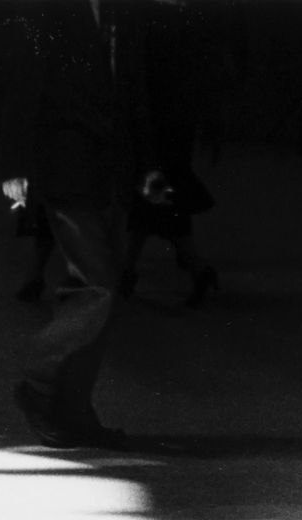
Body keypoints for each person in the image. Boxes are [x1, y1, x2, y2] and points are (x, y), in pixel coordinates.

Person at [0, 0, 168, 448]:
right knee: (100, 287)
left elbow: (136, 92)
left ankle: (73, 410)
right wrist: (15, 165)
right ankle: (38, 378)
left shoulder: (124, 13)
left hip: (113, 172)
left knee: (97, 297)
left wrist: (148, 166)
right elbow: (24, 81)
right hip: (65, 166)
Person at [120, 0, 221, 309]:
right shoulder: (184, 20)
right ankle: (190, 267)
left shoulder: (152, 20)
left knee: (154, 197)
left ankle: (131, 272)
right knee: (158, 199)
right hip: (173, 119)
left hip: (158, 119)